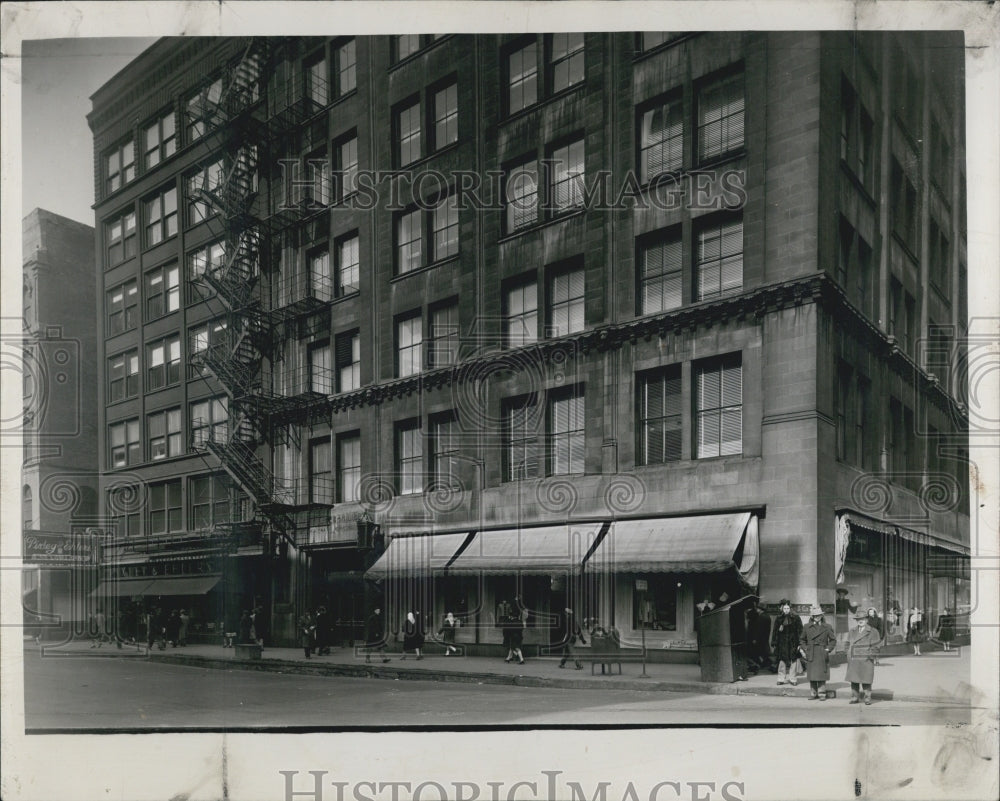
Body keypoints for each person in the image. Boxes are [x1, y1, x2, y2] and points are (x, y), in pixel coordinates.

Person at [799, 605, 836, 700]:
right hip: (811, 652)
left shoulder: (827, 627)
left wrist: (828, 649)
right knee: (812, 674)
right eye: (815, 615)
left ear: (822, 616)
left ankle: (822, 694)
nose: (817, 617)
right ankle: (813, 693)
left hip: (822, 652)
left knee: (821, 673)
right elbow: (802, 640)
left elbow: (833, 640)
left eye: (819, 615)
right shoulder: (807, 627)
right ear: (812, 616)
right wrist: (806, 648)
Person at [845, 610, 881, 705]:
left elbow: (876, 646)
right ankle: (854, 697)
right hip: (854, 659)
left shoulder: (873, 631)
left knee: (866, 680)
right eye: (858, 619)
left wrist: (869, 656)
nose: (860, 621)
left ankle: (867, 698)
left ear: (866, 620)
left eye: (863, 619)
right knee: (854, 680)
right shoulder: (852, 631)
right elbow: (847, 643)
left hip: (866, 659)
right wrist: (848, 654)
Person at [771, 599, 803, 686]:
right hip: (782, 643)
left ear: (790, 608)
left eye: (787, 608)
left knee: (793, 660)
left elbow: (800, 631)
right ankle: (781, 678)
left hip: (793, 642)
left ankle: (792, 679)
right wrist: (774, 642)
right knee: (782, 660)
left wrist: (800, 643)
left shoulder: (796, 618)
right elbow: (774, 631)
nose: (786, 610)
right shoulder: (779, 618)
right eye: (784, 608)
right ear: (782, 608)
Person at [747, 599, 773, 675]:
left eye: (758, 608)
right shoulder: (767, 616)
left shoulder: (761, 617)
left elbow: (759, 629)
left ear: (760, 609)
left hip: (760, 638)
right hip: (765, 637)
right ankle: (765, 664)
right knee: (764, 652)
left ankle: (769, 664)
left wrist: (755, 638)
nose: (757, 610)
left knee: (762, 652)